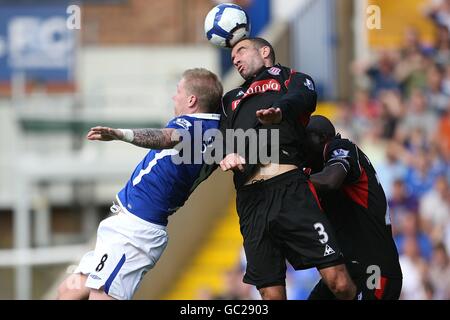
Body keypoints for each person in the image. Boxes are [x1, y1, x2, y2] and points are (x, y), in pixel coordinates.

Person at [57, 68, 223, 300]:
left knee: (100, 296)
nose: (174, 97)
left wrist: (121, 134)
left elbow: (166, 138)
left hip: (136, 230)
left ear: (192, 100)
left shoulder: (194, 129)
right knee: (69, 290)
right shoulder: (214, 131)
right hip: (125, 223)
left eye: (178, 91)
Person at [219, 37, 357, 300]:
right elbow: (221, 140)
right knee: (271, 295)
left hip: (289, 189)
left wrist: (279, 112)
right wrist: (226, 156)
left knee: (338, 282)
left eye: (241, 51)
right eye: (231, 55)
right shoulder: (230, 99)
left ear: (264, 51)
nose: (234, 58)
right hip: (250, 202)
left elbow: (302, 97)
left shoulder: (291, 78)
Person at [304, 115, 403, 300]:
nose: (300, 147)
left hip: (374, 269)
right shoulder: (314, 169)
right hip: (348, 269)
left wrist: (292, 180)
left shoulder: (340, 147)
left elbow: (331, 180)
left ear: (321, 138)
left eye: (304, 140)